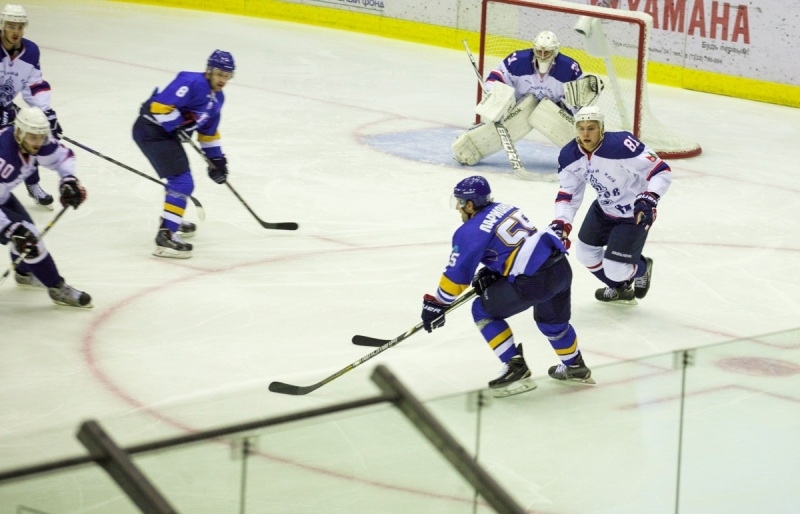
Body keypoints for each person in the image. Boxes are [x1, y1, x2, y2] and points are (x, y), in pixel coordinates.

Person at [420, 175, 594, 398]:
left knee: (482, 309)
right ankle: (574, 365)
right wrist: (495, 271)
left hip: (533, 280)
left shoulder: (469, 230)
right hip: (559, 268)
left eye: (460, 202)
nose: (458, 208)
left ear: (470, 204)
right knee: (552, 324)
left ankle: (514, 365)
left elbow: (457, 278)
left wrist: (437, 304)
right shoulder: (505, 208)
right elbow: (517, 246)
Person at [549, 105, 672, 304]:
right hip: (604, 209)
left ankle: (642, 267)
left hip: (634, 213)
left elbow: (660, 171)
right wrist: (561, 223)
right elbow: (568, 195)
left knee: (616, 270)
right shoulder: (569, 156)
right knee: (585, 255)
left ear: (602, 128)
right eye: (581, 128)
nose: (586, 134)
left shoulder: (622, 145)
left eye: (591, 128)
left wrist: (650, 197)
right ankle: (621, 289)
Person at [132, 50, 235, 258]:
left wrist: (216, 161)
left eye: (227, 76)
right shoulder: (191, 81)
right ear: (209, 70)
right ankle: (166, 237)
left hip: (166, 135)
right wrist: (177, 123)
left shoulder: (218, 98)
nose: (223, 80)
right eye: (219, 74)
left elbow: (208, 132)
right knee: (182, 181)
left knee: (179, 180)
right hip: (151, 130)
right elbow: (159, 107)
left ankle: (171, 218)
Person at [453, 30, 602, 167]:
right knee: (513, 118)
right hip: (519, 105)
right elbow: (496, 77)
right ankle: (470, 148)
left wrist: (579, 113)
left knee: (573, 125)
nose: (542, 56)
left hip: (554, 108)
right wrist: (496, 97)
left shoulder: (569, 68)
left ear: (555, 52)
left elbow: (580, 101)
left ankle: (593, 155)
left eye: (547, 52)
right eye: (539, 51)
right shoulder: (517, 60)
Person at [0, 107, 90, 308]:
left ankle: (24, 273)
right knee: (27, 237)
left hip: (2, 196)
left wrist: (68, 180)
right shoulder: (4, 156)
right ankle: (57, 287)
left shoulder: (34, 140)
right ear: (19, 133)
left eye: (41, 137)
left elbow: (63, 157)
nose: (38, 142)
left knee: (25, 235)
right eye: (33, 137)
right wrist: (8, 228)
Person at [0, 4, 64, 209]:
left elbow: (34, 84)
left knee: (29, 135)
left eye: (20, 26)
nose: (16, 31)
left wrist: (46, 113)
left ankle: (33, 184)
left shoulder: (31, 52)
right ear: (2, 25)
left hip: (5, 107)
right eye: (11, 26)